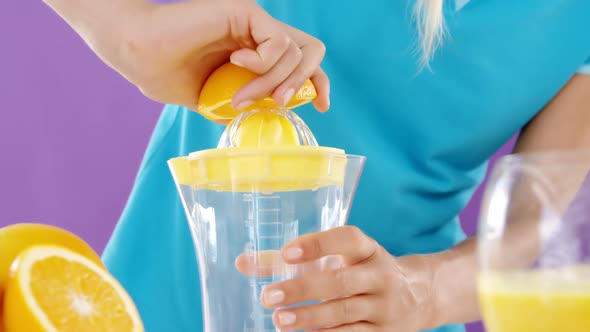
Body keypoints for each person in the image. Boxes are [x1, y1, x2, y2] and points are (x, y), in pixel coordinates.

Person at [42, 0, 590, 331]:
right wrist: (129, 34)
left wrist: (422, 291)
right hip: (158, 309)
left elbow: (533, 229)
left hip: (392, 319)